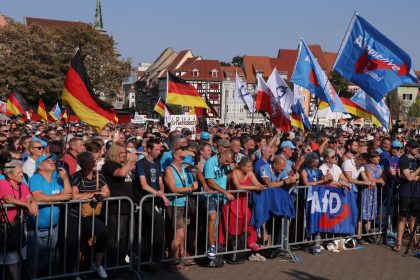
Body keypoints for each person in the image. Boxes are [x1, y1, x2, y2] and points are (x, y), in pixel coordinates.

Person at [27, 154, 72, 277]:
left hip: (53, 226)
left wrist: (65, 179)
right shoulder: (36, 178)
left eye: (52, 160)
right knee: (34, 259)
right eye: (47, 161)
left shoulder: (58, 178)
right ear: (40, 166)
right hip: (36, 227)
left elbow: (68, 195)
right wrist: (60, 197)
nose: (52, 161)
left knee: (49, 258)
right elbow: (38, 196)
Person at [68, 152, 110, 279]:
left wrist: (100, 195)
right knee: (74, 242)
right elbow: (74, 196)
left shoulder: (99, 174)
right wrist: (93, 194)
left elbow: (107, 192)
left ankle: (97, 264)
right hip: (75, 214)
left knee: (103, 232)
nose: (95, 163)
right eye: (91, 161)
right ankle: (74, 272)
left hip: (91, 214)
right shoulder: (76, 176)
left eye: (94, 161)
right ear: (84, 163)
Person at [219, 157, 266, 262]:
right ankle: (231, 253)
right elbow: (239, 187)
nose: (250, 168)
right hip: (233, 202)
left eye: (251, 166)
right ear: (242, 166)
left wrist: (260, 186)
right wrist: (255, 187)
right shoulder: (235, 172)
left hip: (244, 202)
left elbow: (257, 183)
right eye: (248, 166)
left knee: (249, 223)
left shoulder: (250, 173)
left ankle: (251, 249)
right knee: (233, 226)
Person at [0, 161, 38, 280]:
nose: (22, 174)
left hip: (19, 226)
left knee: (18, 256)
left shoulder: (22, 185)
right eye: (19, 172)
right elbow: (8, 198)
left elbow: (29, 196)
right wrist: (27, 205)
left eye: (22, 171)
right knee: (11, 257)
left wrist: (33, 202)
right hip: (5, 226)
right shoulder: (2, 183)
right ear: (10, 175)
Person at [102, 142, 138, 266]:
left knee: (124, 239)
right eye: (121, 153)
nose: (124, 155)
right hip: (115, 208)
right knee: (114, 239)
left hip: (126, 207)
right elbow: (121, 173)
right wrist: (129, 161)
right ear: (114, 153)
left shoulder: (122, 165)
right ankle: (111, 265)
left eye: (125, 153)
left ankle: (121, 264)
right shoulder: (109, 165)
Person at [134, 138, 169, 266]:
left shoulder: (158, 162)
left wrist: (162, 191)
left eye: (160, 149)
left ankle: (153, 258)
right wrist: (159, 193)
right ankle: (150, 258)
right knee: (155, 223)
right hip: (144, 200)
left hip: (156, 199)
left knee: (153, 228)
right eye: (156, 149)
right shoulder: (141, 164)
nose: (159, 152)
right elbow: (144, 185)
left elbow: (160, 181)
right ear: (149, 149)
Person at [163, 146, 198, 271]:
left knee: (180, 236)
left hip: (184, 204)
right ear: (177, 156)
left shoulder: (184, 168)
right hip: (175, 206)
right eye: (183, 156)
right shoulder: (169, 170)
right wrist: (190, 189)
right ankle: (171, 261)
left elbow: (190, 181)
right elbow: (173, 189)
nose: (185, 158)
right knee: (179, 236)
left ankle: (175, 260)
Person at [204, 149, 235, 259]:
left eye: (228, 162)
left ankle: (215, 246)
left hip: (221, 198)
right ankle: (211, 246)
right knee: (212, 217)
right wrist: (225, 192)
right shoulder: (210, 162)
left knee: (217, 223)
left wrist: (231, 170)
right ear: (222, 154)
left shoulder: (225, 165)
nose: (226, 163)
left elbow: (227, 178)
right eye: (225, 160)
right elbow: (210, 182)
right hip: (210, 196)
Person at [395, 140, 420, 251]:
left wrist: (413, 175)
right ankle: (399, 243)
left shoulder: (417, 160)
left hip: (417, 192)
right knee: (403, 218)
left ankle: (413, 241)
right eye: (414, 147)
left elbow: (411, 176)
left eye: (417, 147)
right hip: (406, 192)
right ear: (408, 148)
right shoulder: (403, 159)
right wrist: (418, 171)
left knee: (413, 218)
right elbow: (408, 177)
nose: (417, 149)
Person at [362, 151, 385, 242]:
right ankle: (364, 232)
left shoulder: (379, 167)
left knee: (372, 211)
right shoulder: (367, 167)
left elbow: (382, 178)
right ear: (371, 158)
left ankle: (368, 232)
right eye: (376, 157)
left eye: (378, 157)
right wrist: (378, 180)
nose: (378, 159)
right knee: (366, 210)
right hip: (367, 191)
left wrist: (378, 180)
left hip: (375, 190)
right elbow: (371, 179)